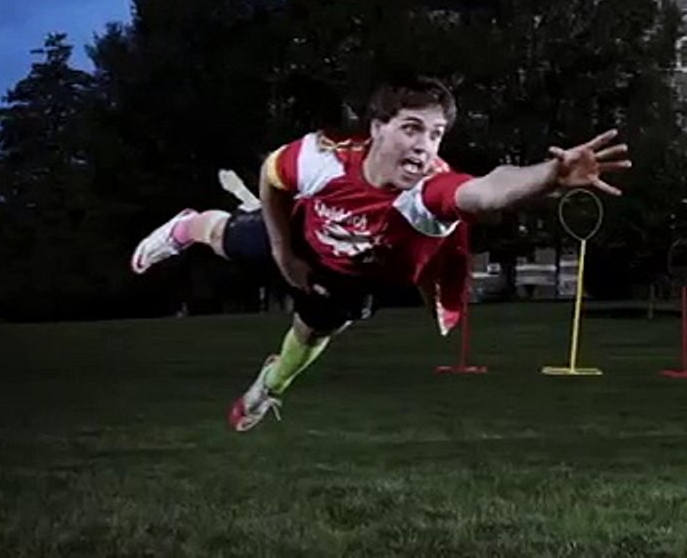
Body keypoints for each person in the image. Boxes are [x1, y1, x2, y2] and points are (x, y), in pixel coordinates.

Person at [131, 77, 630, 432]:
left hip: (355, 276)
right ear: (376, 128)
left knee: (312, 331)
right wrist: (284, 253)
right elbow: (271, 174)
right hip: (304, 238)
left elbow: (488, 189)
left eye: (435, 134)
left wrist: (549, 175)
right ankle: (182, 227)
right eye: (412, 128)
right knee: (223, 236)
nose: (425, 146)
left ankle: (267, 388)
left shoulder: (430, 192)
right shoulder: (321, 158)